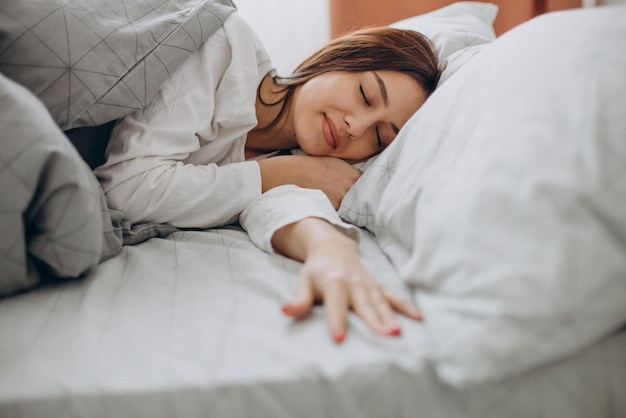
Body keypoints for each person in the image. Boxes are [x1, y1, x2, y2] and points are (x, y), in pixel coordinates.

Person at [95, 11, 442, 343]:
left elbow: (287, 208)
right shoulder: (223, 46)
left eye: (379, 137)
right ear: (336, 60)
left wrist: (331, 249)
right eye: (365, 95)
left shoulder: (299, 164)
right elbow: (126, 188)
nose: (357, 127)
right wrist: (272, 174)